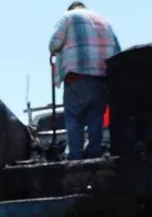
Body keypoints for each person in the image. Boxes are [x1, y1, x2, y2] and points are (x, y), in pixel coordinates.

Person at [49, 1, 121, 160]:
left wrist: (55, 50)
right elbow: (117, 50)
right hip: (101, 79)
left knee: (74, 117)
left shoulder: (69, 17)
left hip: (76, 76)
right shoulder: (105, 22)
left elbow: (54, 43)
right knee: (96, 118)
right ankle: (94, 155)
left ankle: (75, 158)